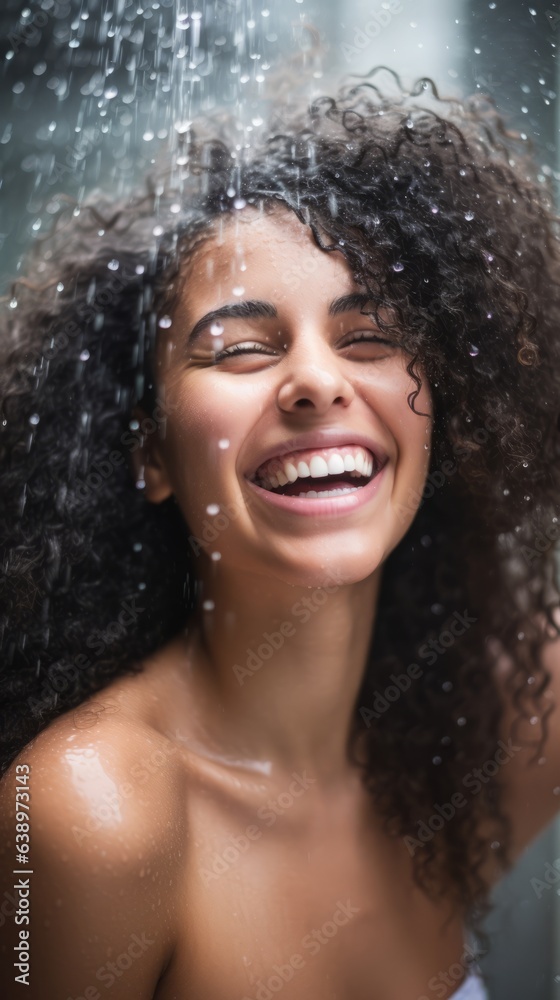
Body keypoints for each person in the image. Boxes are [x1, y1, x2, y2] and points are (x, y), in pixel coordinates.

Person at [1, 70, 560, 1000]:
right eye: (242, 348)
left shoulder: (496, 717)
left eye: (369, 336)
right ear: (150, 453)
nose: (317, 382)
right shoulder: (88, 813)